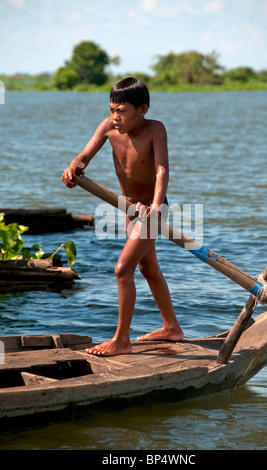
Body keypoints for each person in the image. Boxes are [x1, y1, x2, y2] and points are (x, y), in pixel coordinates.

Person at [61, 77, 183, 356]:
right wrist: (73, 169)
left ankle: (122, 341)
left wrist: (153, 205)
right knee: (146, 268)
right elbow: (84, 156)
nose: (115, 117)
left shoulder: (156, 130)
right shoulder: (108, 127)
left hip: (153, 209)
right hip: (129, 210)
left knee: (122, 269)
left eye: (122, 111)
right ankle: (171, 328)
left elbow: (162, 170)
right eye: (112, 109)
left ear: (142, 110)